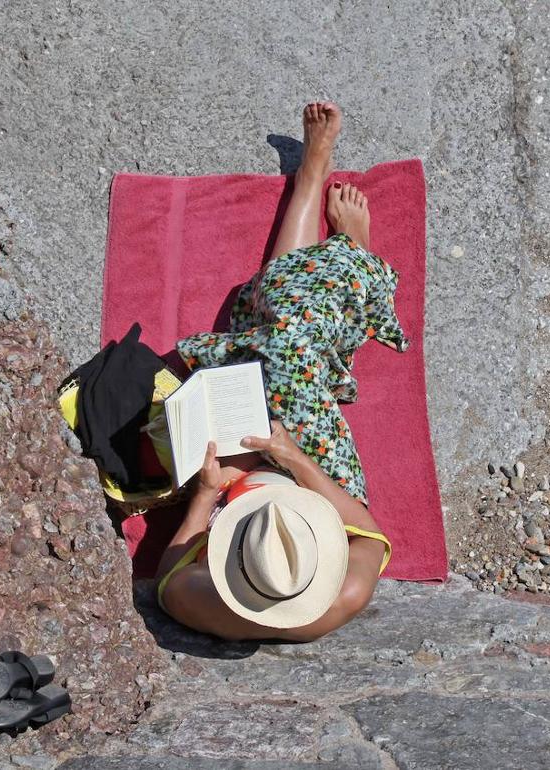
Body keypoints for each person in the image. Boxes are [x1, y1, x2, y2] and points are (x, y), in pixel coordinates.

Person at [154, 102, 408, 642]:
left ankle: (317, 196)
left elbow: (167, 576)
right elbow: (369, 530)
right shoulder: (345, 594)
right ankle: (352, 257)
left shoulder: (199, 601)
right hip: (321, 479)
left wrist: (205, 495)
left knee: (281, 341)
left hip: (234, 478)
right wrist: (290, 455)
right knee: (291, 343)